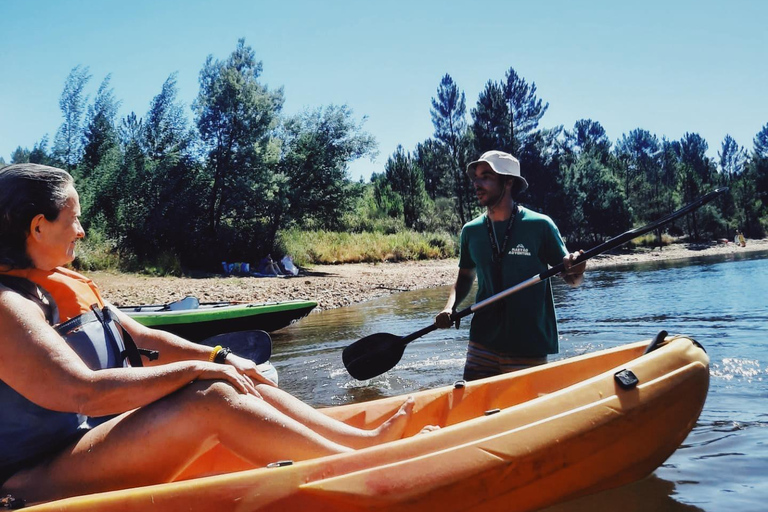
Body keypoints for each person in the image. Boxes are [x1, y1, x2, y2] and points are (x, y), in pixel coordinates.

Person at [0, 164, 424, 504]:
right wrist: (195, 373)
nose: (82, 230)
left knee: (238, 376)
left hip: (76, 446)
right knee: (213, 396)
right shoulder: (7, 305)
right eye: (74, 219)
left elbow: (141, 337)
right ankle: (371, 476)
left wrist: (219, 358)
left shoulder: (52, 282)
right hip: (29, 481)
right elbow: (83, 393)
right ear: (38, 227)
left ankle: (366, 443)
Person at [435, 151, 586, 381]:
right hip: (482, 342)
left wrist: (577, 268)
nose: (477, 183)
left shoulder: (541, 226)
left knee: (524, 414)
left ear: (508, 182)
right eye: (475, 177)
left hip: (528, 346)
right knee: (474, 410)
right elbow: (465, 276)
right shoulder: (471, 231)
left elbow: (573, 280)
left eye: (486, 176)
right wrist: (450, 307)